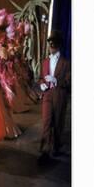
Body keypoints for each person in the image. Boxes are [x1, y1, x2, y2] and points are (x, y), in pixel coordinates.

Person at [38, 31, 70, 163]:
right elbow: (41, 78)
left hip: (59, 94)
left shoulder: (66, 63)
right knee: (46, 122)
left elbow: (69, 81)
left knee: (57, 123)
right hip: (48, 94)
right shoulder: (45, 62)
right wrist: (42, 85)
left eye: (53, 44)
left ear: (58, 46)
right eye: (50, 44)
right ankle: (45, 150)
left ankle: (56, 146)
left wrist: (56, 80)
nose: (51, 47)